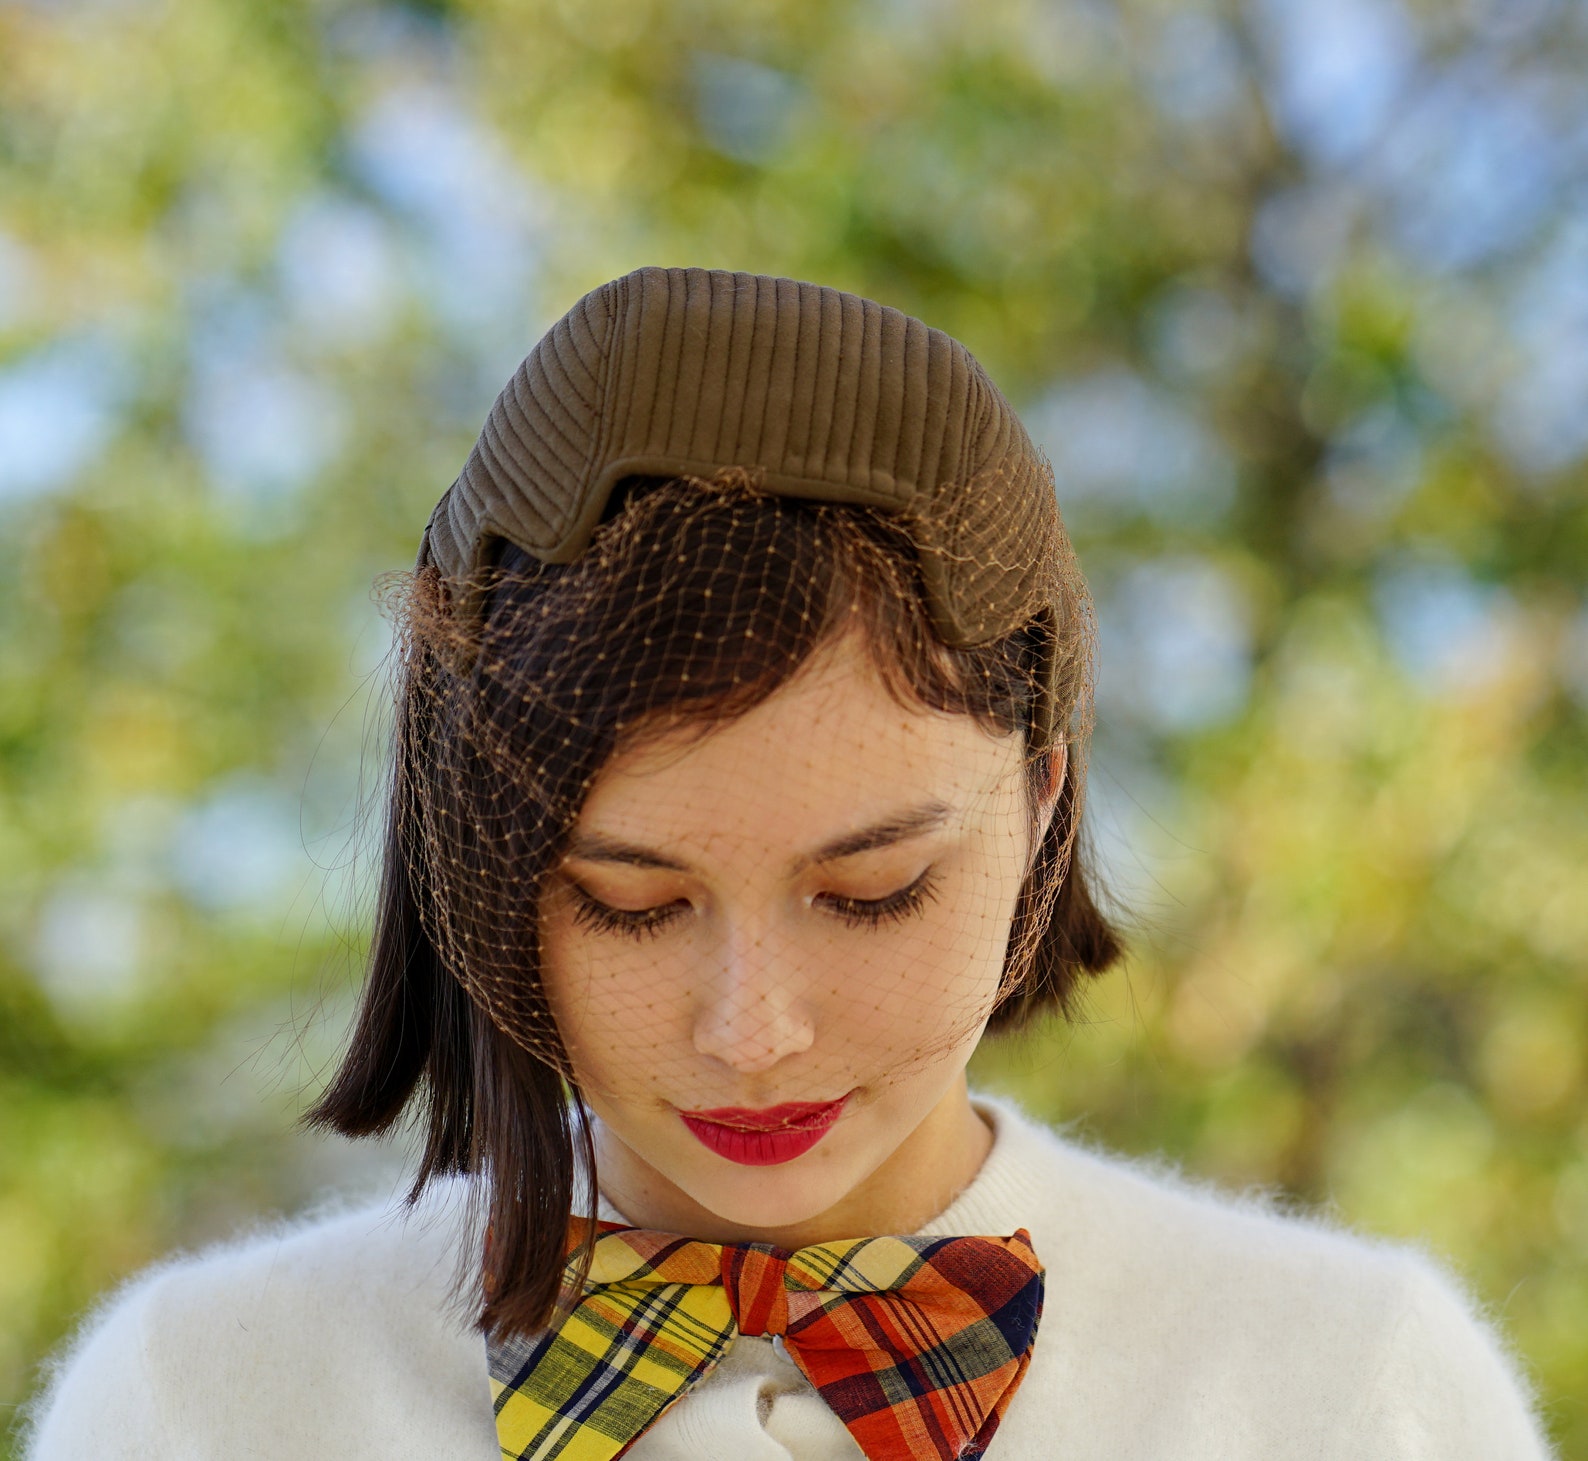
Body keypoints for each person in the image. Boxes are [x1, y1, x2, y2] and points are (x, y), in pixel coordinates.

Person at [22, 268, 1552, 1460]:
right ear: (475, 867)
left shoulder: (1353, 1388)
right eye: (630, 901)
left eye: (872, 887)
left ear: (1044, 808)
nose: (754, 1031)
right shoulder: (202, 1401)